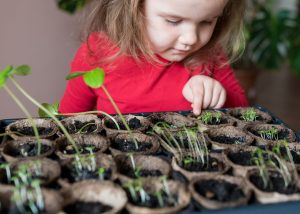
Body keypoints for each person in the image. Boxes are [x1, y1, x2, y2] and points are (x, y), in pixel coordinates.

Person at [59, 0, 248, 116]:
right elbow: (68, 121)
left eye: (207, 21)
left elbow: (244, 113)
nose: (191, 38)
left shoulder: (211, 54)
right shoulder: (96, 54)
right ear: (135, 8)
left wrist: (216, 95)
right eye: (173, 21)